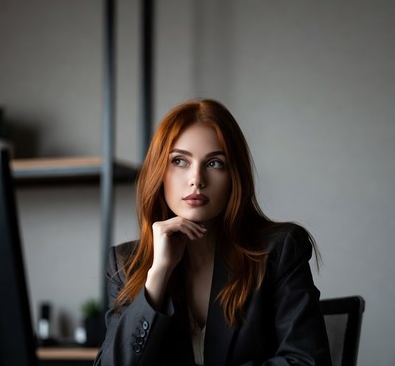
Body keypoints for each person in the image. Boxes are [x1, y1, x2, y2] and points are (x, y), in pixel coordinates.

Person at [94, 99, 332, 366]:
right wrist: (157, 276)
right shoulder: (126, 263)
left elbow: (306, 361)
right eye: (179, 161)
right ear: (159, 173)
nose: (197, 179)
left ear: (234, 177)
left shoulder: (278, 250)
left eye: (215, 163)